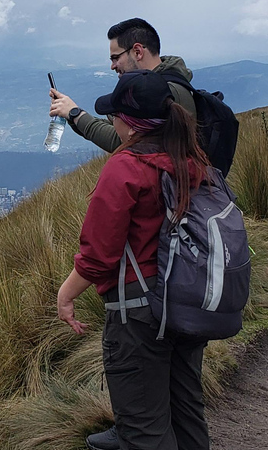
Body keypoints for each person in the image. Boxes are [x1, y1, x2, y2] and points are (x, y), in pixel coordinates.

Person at [57, 70, 211, 450]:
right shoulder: (190, 159)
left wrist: (66, 295)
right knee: (186, 411)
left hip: (139, 314)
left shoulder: (125, 168)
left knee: (143, 428)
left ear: (129, 122)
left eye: (115, 115)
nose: (113, 122)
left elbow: (99, 255)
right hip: (188, 303)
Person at [50, 18, 196, 153]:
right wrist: (72, 114)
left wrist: (75, 114)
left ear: (138, 52)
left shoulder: (167, 93)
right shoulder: (163, 86)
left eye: (116, 58)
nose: (112, 66)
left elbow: (123, 141)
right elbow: (122, 129)